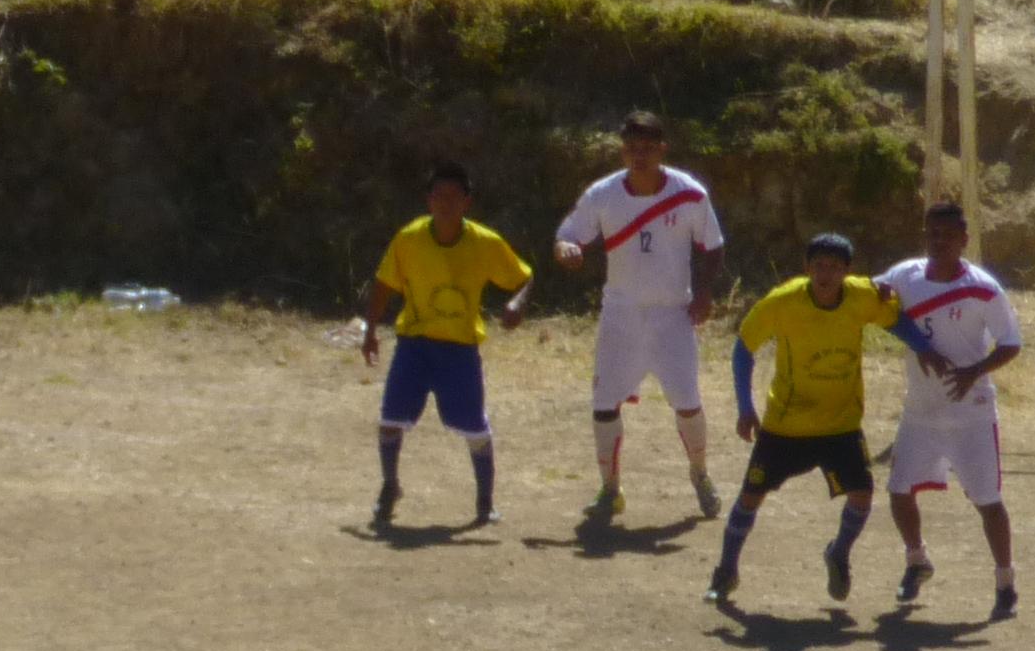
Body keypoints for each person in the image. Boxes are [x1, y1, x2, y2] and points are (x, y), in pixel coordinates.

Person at [550, 111, 729, 520]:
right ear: (622, 149)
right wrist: (567, 251)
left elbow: (712, 246)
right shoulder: (603, 194)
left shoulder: (689, 194)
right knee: (603, 404)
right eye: (632, 148)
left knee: (687, 403)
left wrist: (703, 293)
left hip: (672, 314)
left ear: (662, 149)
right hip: (621, 314)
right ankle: (610, 489)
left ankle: (700, 473)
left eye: (648, 148)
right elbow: (568, 236)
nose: (640, 156)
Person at [711, 232, 900, 611]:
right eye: (818, 267)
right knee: (751, 496)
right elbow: (744, 348)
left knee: (863, 494)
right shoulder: (783, 302)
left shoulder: (863, 296)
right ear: (807, 268)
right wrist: (745, 407)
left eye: (834, 267)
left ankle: (838, 553)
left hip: (841, 425)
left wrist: (925, 349)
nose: (825, 275)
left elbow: (897, 318)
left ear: (847, 271)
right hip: (786, 426)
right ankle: (725, 571)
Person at [357, 161, 534, 531]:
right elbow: (384, 283)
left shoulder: (485, 242)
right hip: (414, 345)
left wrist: (518, 303)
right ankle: (390, 486)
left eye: (453, 196)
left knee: (473, 427)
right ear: (428, 200)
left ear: (467, 202)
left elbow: (524, 277)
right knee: (390, 421)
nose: (445, 203)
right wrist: (371, 329)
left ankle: (485, 501)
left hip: (459, 350)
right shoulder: (409, 238)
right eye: (438, 195)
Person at [876, 199, 1025, 619]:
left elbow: (1011, 343)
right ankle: (917, 560)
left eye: (947, 235)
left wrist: (973, 372)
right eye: (931, 234)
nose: (938, 242)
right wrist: (916, 343)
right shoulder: (903, 277)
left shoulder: (984, 288)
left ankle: (1005, 581)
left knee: (987, 499)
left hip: (971, 413)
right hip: (920, 411)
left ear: (964, 238)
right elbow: (872, 304)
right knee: (899, 491)